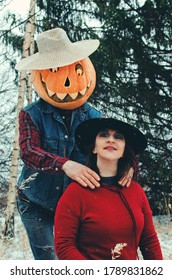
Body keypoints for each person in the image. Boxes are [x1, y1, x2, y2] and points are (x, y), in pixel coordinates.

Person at [15, 28, 133, 260]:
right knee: (50, 263)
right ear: (40, 74)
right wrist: (65, 164)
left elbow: (109, 150)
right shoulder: (31, 114)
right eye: (56, 70)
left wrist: (127, 165)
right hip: (36, 202)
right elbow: (29, 152)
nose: (68, 80)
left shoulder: (94, 117)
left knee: (78, 262)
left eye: (75, 69)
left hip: (74, 207)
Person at [54, 118, 163, 260]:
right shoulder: (75, 193)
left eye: (118, 137)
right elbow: (64, 246)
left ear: (124, 151)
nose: (111, 140)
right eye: (104, 135)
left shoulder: (135, 191)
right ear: (93, 147)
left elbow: (149, 240)